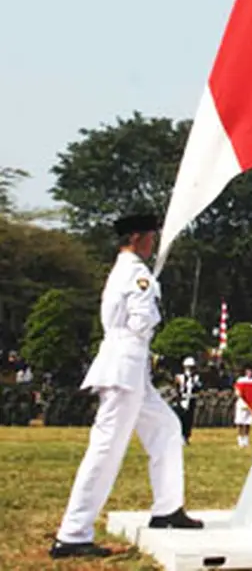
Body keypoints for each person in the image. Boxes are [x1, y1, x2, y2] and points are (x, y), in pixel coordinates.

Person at [50, 214, 203, 559]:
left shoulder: (126, 269)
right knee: (106, 448)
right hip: (126, 365)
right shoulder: (135, 272)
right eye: (150, 237)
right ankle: (72, 534)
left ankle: (168, 508)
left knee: (166, 427)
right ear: (137, 238)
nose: (153, 243)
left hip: (131, 367)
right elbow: (141, 319)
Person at [173, 357, 201, 444]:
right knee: (181, 418)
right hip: (182, 399)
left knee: (189, 418)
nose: (190, 369)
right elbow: (177, 387)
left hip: (191, 398)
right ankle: (180, 436)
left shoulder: (196, 377)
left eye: (192, 367)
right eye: (189, 367)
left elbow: (198, 387)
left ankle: (186, 436)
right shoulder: (180, 376)